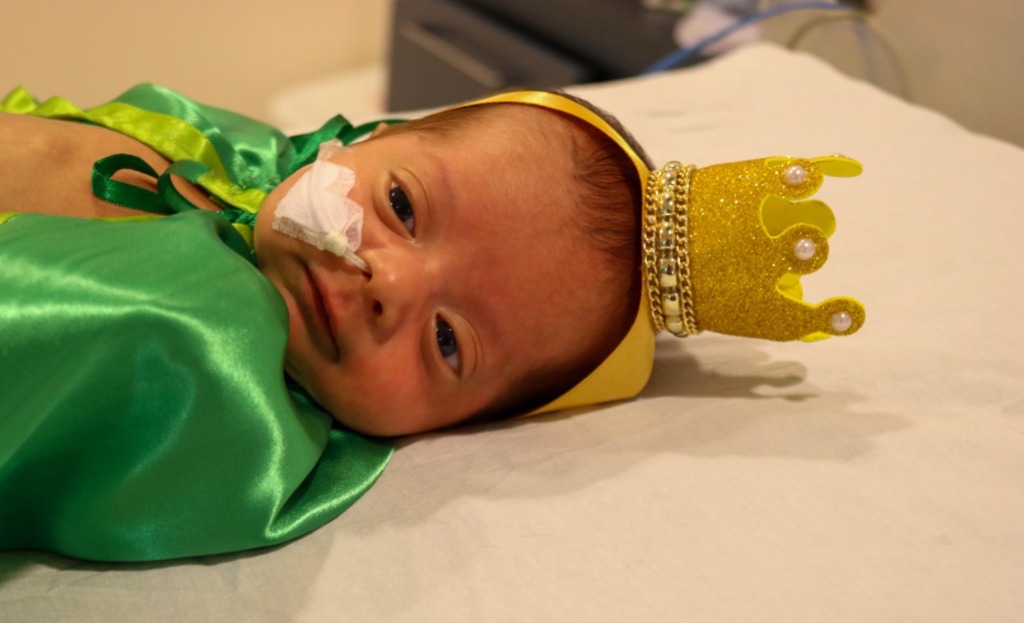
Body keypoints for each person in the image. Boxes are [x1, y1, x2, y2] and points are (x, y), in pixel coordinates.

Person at [0, 84, 864, 561]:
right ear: (358, 143)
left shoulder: (213, 373)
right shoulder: (250, 166)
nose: (387, 280)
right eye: (403, 203)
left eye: (449, 341)